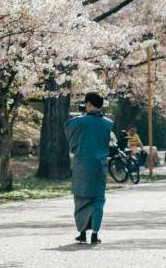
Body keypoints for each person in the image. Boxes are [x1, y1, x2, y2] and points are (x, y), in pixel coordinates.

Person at [65, 92, 113, 245]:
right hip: (100, 165)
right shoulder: (108, 123)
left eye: (86, 103)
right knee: (98, 198)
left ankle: (82, 232)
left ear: (89, 104)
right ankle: (95, 233)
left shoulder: (78, 121)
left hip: (83, 165)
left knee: (81, 198)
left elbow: (69, 131)